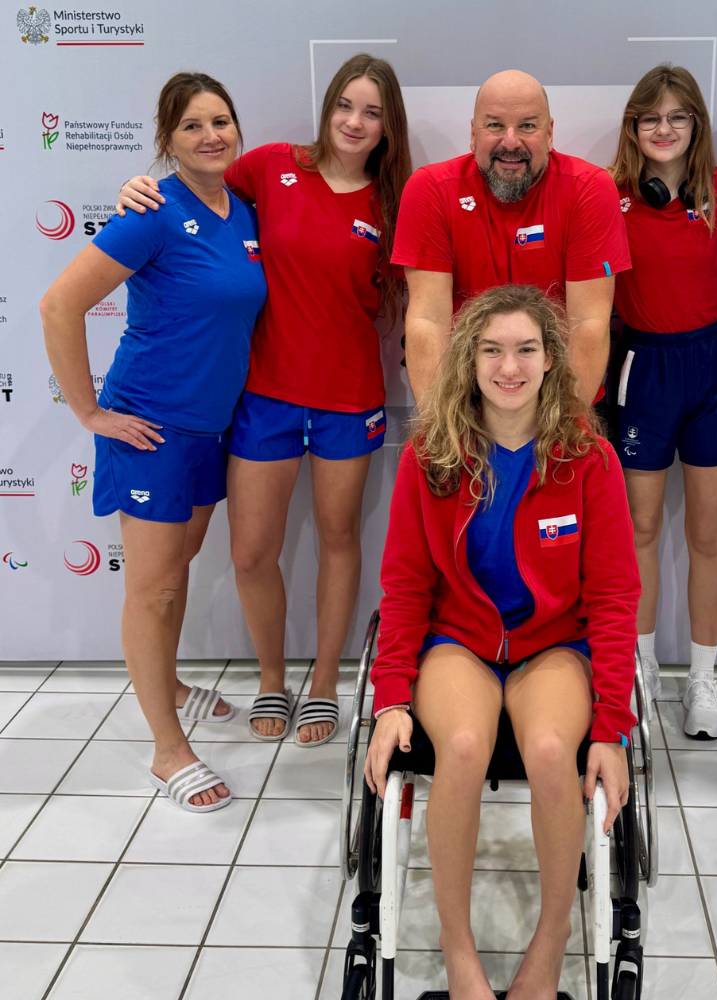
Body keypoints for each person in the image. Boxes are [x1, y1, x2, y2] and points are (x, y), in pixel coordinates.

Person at [116, 55, 411, 746]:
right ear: (327, 108)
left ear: (387, 125)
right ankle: (272, 677)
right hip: (264, 396)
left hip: (348, 398)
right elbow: (196, 190)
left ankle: (325, 682)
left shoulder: (391, 203)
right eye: (345, 106)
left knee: (340, 539)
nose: (355, 122)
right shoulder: (273, 166)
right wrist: (138, 187)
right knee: (251, 553)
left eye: (372, 112)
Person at [364, 284, 638, 1000]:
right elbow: (405, 586)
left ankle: (552, 939)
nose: (508, 367)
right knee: (459, 747)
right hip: (460, 640)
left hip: (554, 644)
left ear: (550, 360)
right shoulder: (431, 454)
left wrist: (612, 728)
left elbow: (613, 599)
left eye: (524, 349)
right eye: (492, 350)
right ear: (469, 359)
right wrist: (390, 698)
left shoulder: (589, 459)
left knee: (550, 751)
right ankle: (458, 950)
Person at [41, 73, 267, 812]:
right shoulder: (152, 210)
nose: (211, 136)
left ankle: (166, 683)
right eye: (193, 125)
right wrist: (89, 412)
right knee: (154, 587)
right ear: (167, 139)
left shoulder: (241, 210)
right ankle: (168, 752)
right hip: (151, 427)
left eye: (221, 121)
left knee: (178, 566)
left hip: (212, 428)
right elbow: (59, 304)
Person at [607, 64, 717, 732]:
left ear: (696, 124)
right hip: (641, 368)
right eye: (650, 118)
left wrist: (695, 284)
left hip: (711, 369)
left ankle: (702, 683)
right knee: (638, 531)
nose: (663, 129)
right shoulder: (607, 193)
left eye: (677, 117)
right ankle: (639, 676)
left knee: (706, 535)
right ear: (633, 127)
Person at [391, 69, 630, 406]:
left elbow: (588, 324)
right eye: (495, 125)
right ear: (473, 134)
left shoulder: (588, 190)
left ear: (550, 133)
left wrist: (565, 422)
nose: (511, 142)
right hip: (463, 399)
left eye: (528, 126)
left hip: (561, 396)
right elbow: (428, 322)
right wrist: (441, 422)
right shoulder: (431, 190)